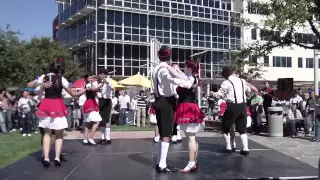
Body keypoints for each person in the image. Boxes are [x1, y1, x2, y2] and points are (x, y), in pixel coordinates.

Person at [33, 61, 85, 167]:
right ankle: (57, 157)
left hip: (46, 104)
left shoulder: (44, 77)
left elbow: (36, 91)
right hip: (57, 104)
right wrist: (83, 90)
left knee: (46, 133)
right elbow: (72, 93)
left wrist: (42, 85)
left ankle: (46, 158)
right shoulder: (61, 78)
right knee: (59, 134)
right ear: (59, 70)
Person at [152, 46, 195, 173]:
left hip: (158, 100)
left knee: (162, 133)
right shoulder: (165, 69)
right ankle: (162, 165)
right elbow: (185, 81)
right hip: (166, 101)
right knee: (166, 134)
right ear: (169, 56)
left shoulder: (155, 68)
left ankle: (160, 162)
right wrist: (180, 71)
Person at [212, 67, 257, 156]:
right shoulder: (242, 81)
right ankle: (245, 148)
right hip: (243, 106)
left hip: (232, 106)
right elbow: (249, 90)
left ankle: (228, 147)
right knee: (242, 129)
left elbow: (219, 95)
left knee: (225, 126)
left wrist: (213, 94)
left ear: (225, 75)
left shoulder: (226, 82)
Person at [174, 59, 204, 173]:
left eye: (186, 67)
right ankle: (193, 162)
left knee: (190, 138)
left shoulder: (190, 78)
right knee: (192, 137)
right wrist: (177, 70)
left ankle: (191, 163)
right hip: (190, 106)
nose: (185, 68)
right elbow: (183, 76)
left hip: (187, 107)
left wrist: (174, 71)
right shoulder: (192, 77)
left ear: (190, 68)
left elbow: (183, 79)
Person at [82, 74, 105, 145]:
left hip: (90, 102)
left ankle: (85, 139)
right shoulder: (88, 85)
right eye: (89, 78)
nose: (91, 79)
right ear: (86, 79)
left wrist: (100, 81)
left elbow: (96, 89)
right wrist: (103, 83)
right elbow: (95, 89)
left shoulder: (90, 84)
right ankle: (91, 137)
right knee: (97, 120)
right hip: (90, 103)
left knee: (87, 122)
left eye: (91, 78)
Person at [97, 69, 113, 145]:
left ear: (105, 74)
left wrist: (105, 81)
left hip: (107, 101)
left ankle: (108, 138)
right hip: (101, 100)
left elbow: (111, 86)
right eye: (99, 74)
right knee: (101, 120)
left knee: (106, 120)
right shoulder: (100, 82)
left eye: (101, 74)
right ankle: (103, 137)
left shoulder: (109, 80)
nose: (100, 75)